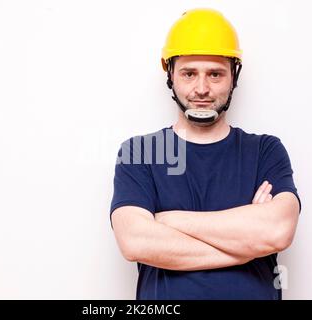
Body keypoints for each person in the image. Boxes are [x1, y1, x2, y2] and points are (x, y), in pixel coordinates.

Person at [109, 8, 301, 300]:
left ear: (233, 76)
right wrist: (247, 244)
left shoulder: (265, 150)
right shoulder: (140, 152)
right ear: (170, 74)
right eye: (189, 73)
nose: (202, 89)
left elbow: (277, 232)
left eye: (215, 74)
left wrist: (168, 220)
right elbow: (135, 242)